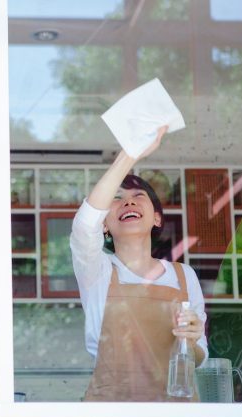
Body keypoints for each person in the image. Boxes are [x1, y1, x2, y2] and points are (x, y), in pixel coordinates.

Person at [70, 127, 208, 402]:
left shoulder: (184, 276)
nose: (128, 200)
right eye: (117, 198)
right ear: (105, 225)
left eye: (138, 196)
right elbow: (85, 226)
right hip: (111, 416)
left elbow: (199, 359)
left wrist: (192, 338)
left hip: (175, 415)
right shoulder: (97, 271)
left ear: (157, 218)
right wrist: (129, 155)